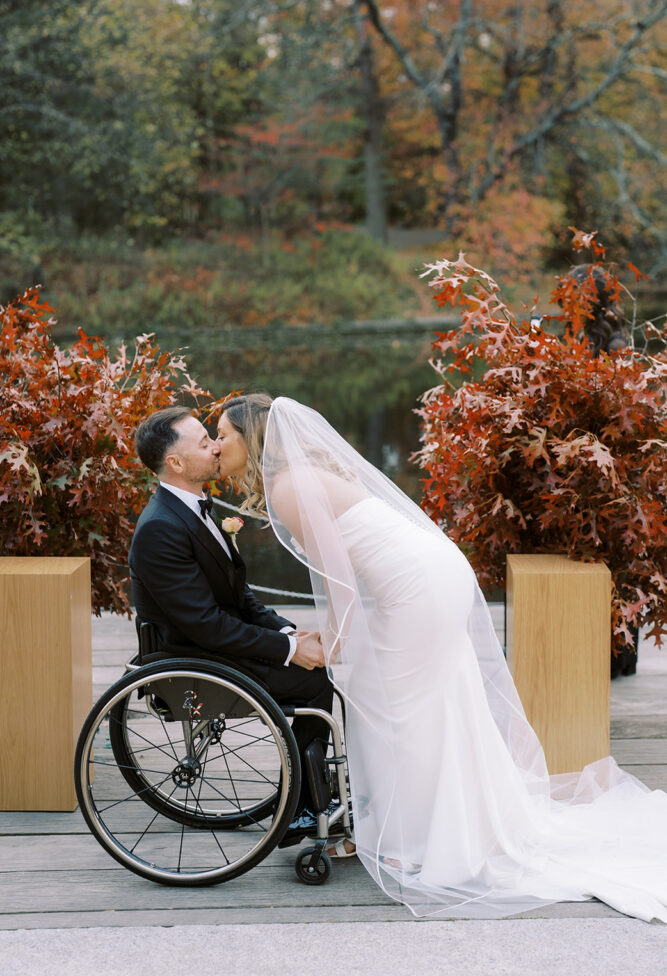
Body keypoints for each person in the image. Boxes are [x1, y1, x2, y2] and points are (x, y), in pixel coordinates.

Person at [214, 393, 667, 922]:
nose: (218, 445)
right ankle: (424, 825)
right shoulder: (300, 476)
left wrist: (335, 641)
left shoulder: (289, 487)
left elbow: (337, 572)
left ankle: (422, 840)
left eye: (223, 434)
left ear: (251, 438)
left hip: (416, 589)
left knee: (400, 711)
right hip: (424, 578)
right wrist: (336, 632)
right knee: (424, 704)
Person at [128, 405, 333, 845]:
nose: (217, 445)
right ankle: (302, 809)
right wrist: (293, 652)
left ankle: (313, 794)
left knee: (313, 667)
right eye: (204, 442)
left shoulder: (193, 508)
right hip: (194, 660)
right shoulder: (160, 529)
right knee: (314, 682)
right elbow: (206, 625)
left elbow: (239, 597)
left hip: (212, 646)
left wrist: (286, 632)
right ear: (176, 463)